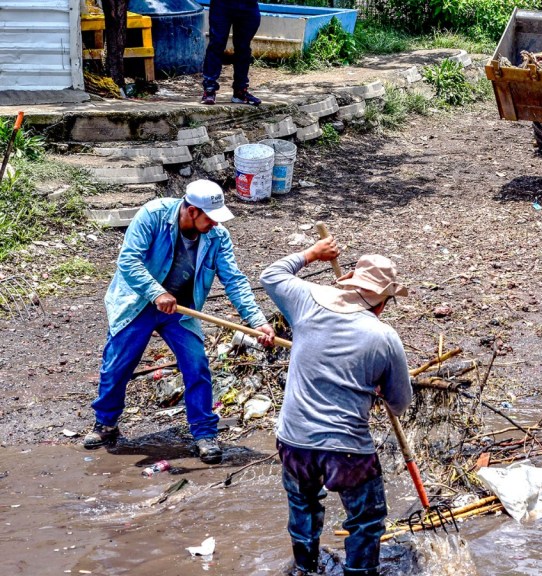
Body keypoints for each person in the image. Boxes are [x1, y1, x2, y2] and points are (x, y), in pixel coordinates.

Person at [84, 180, 276, 464]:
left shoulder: (217, 237)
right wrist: (156, 292)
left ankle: (204, 433)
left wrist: (256, 320)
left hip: (182, 309)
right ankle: (106, 424)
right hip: (139, 302)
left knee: (196, 364)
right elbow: (128, 261)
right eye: (209, 217)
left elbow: (235, 281)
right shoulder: (153, 216)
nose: (214, 223)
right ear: (192, 210)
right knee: (118, 364)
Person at [260, 240, 412, 576]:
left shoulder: (306, 302)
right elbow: (400, 403)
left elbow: (270, 275)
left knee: (303, 504)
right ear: (382, 303)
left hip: (293, 440)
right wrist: (376, 390)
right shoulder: (384, 337)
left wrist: (311, 254)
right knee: (366, 520)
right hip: (346, 449)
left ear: (349, 282)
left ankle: (304, 568)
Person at [201, 0, 262, 106]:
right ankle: (209, 89)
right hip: (222, 4)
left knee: (243, 47)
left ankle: (240, 91)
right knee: (217, 44)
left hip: (248, 5)